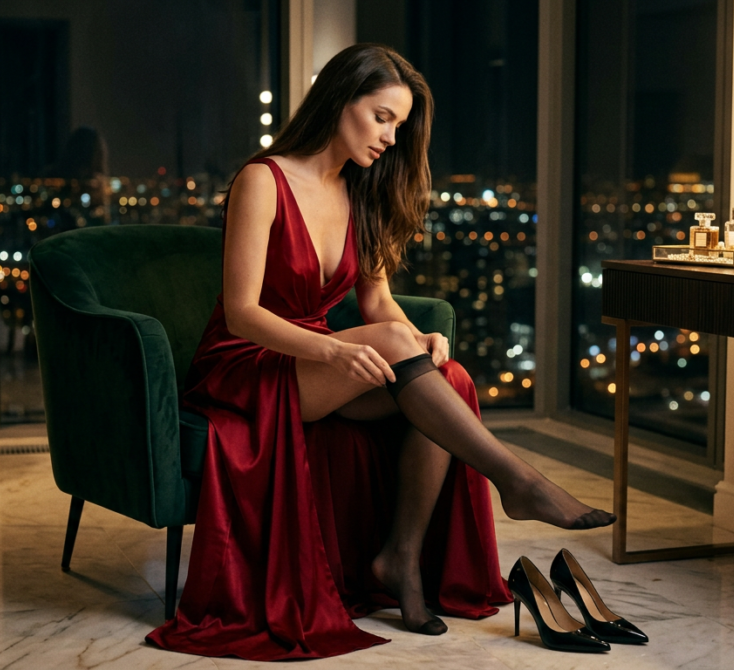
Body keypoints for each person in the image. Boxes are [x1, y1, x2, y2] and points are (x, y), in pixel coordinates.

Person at [146, 43, 615, 661]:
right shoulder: (264, 179)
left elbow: (377, 307)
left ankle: (402, 556)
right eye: (383, 117)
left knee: (449, 376)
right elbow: (242, 313)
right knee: (401, 355)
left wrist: (423, 341)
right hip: (249, 361)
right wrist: (334, 353)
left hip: (321, 361)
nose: (392, 137)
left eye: (400, 124)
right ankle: (518, 480)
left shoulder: (360, 193)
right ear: (340, 100)